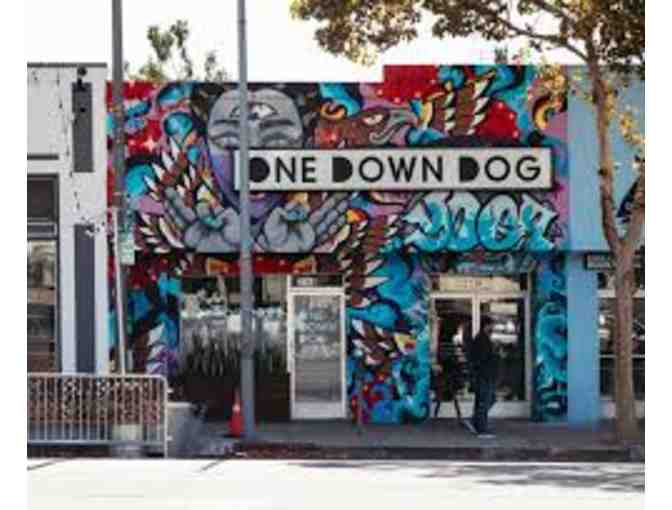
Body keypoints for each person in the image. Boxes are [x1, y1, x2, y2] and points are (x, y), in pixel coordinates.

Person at [465, 316, 498, 438]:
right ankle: (481, 429)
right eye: (491, 325)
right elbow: (481, 359)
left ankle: (475, 421)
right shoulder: (482, 339)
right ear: (486, 325)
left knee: (487, 399)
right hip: (484, 375)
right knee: (484, 401)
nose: (493, 327)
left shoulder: (482, 338)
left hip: (484, 375)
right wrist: (495, 356)